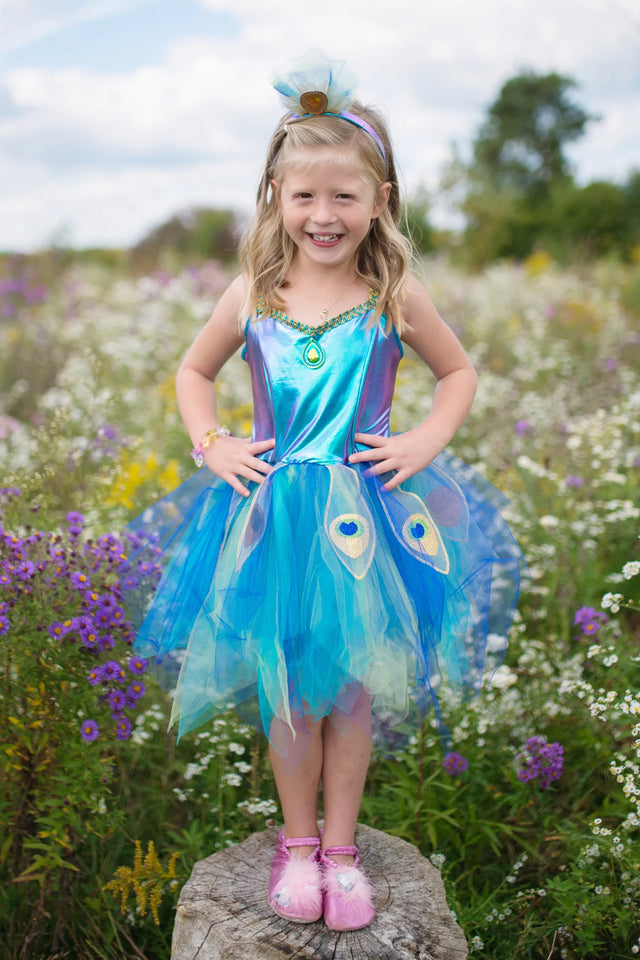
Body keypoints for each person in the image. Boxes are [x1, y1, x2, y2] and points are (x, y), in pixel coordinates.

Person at [123, 51, 525, 933]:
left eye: (344, 195)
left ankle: (342, 850)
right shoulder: (254, 292)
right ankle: (296, 844)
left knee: (350, 690)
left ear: (379, 199)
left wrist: (423, 438)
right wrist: (212, 441)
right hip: (269, 517)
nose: (323, 215)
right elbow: (194, 370)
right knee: (288, 686)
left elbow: (456, 374)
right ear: (274, 197)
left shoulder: (392, 293)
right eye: (303, 196)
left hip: (364, 522)